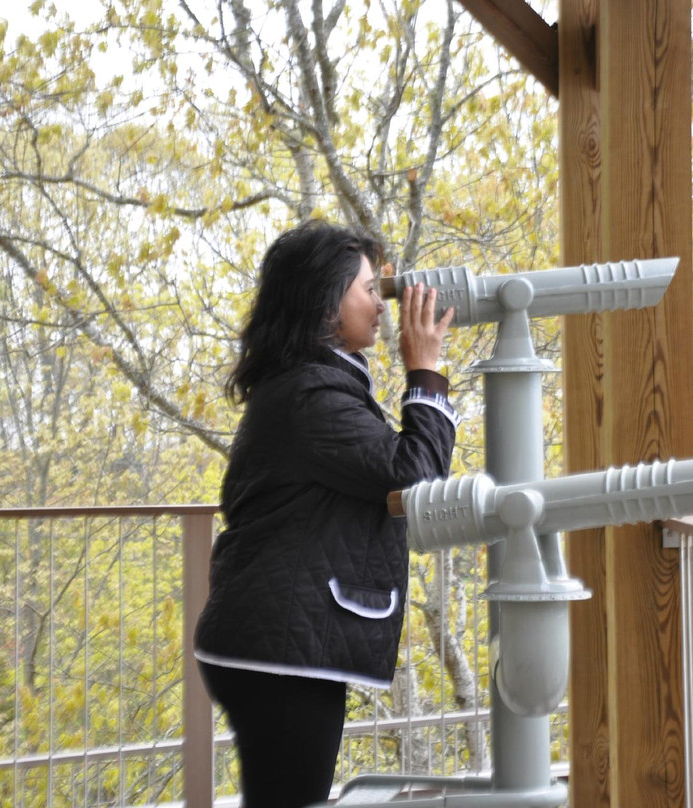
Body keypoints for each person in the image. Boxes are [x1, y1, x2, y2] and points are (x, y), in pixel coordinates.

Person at [194, 220, 458, 808]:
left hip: (275, 643)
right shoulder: (312, 394)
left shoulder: (309, 383)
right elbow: (415, 476)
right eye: (369, 289)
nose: (383, 305)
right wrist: (425, 370)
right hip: (279, 652)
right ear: (324, 303)